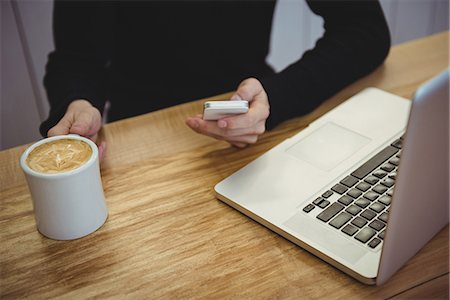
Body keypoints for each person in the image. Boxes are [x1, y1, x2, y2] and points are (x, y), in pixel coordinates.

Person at [40, 0, 390, 158]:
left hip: (255, 120)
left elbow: (365, 29)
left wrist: (275, 98)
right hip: (136, 139)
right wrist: (78, 102)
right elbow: (76, 57)